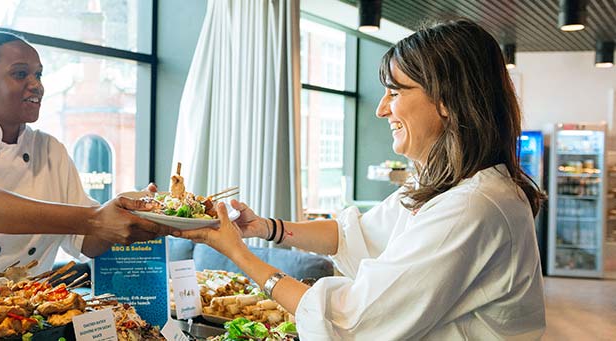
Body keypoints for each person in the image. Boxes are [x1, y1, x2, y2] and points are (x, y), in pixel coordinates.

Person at [179, 19, 546, 339]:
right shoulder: (444, 186)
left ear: (447, 99)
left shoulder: (472, 207)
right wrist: (265, 228)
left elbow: (351, 321)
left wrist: (237, 253)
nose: (381, 108)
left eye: (395, 91)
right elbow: (353, 234)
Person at [0, 31, 170, 279]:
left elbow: (87, 243)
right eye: (20, 74)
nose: (36, 86)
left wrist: (130, 217)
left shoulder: (50, 149)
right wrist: (95, 219)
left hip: (22, 316)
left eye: (39, 75)